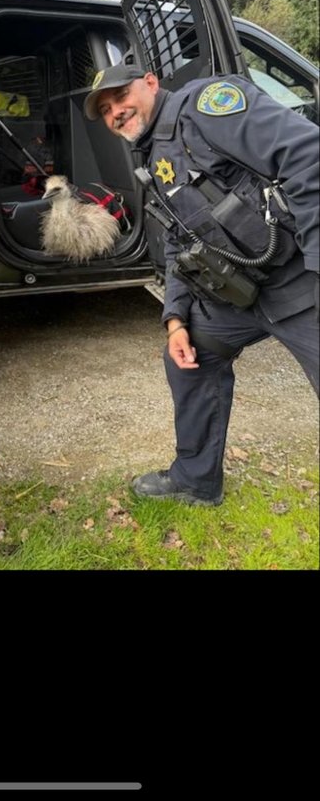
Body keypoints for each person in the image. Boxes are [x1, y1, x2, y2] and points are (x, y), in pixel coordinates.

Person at [84, 61, 319, 506]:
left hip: (299, 281)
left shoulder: (206, 107)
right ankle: (196, 482)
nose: (116, 111)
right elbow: (178, 247)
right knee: (191, 357)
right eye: (106, 109)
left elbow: (308, 157)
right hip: (242, 294)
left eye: (121, 96)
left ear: (151, 82)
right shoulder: (154, 159)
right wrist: (174, 320)